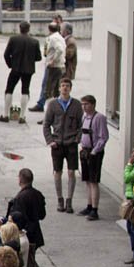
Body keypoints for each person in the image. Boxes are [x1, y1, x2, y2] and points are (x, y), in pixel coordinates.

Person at [42, 78, 82, 214]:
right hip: (57, 143)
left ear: (70, 88)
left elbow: (82, 124)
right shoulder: (53, 104)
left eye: (67, 86)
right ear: (59, 88)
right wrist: (50, 140)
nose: (65, 88)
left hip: (71, 143)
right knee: (57, 172)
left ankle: (69, 200)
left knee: (71, 172)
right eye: (63, 86)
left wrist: (77, 138)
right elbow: (46, 124)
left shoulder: (76, 105)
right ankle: (60, 199)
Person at [0, 22, 41, 124]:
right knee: (25, 90)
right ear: (29, 29)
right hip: (28, 69)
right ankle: (22, 116)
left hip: (15, 68)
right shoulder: (34, 41)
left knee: (9, 89)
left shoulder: (13, 39)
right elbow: (38, 57)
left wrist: (11, 64)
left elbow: (6, 54)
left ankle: (5, 114)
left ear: (20, 28)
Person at [76, 95, 108, 220]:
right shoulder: (84, 117)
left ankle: (95, 209)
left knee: (94, 181)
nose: (84, 107)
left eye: (86, 104)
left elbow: (103, 137)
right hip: (85, 151)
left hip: (94, 152)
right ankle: (89, 206)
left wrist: (95, 151)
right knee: (87, 181)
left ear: (93, 105)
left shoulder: (99, 117)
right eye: (82, 104)